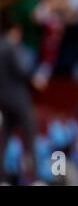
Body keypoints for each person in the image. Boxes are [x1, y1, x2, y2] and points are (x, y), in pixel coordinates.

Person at [0, 16, 41, 184]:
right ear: (15, 31)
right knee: (30, 135)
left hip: (2, 99)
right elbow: (23, 69)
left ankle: (1, 179)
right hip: (18, 98)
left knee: (4, 138)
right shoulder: (13, 47)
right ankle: (35, 179)